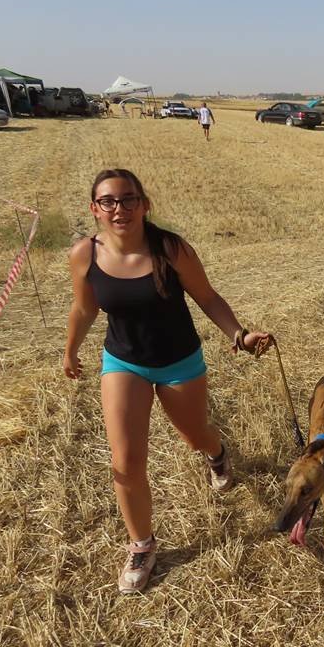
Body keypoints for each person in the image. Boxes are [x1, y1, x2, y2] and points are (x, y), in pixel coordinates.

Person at [63, 168, 273, 594]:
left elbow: (208, 297)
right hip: (124, 363)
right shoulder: (84, 254)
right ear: (95, 208)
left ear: (144, 205)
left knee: (195, 436)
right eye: (108, 201)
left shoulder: (170, 249)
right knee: (125, 460)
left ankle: (216, 453)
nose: (118, 209)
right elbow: (84, 309)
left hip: (179, 361)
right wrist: (69, 351)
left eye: (128, 199)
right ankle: (141, 545)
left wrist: (239, 334)